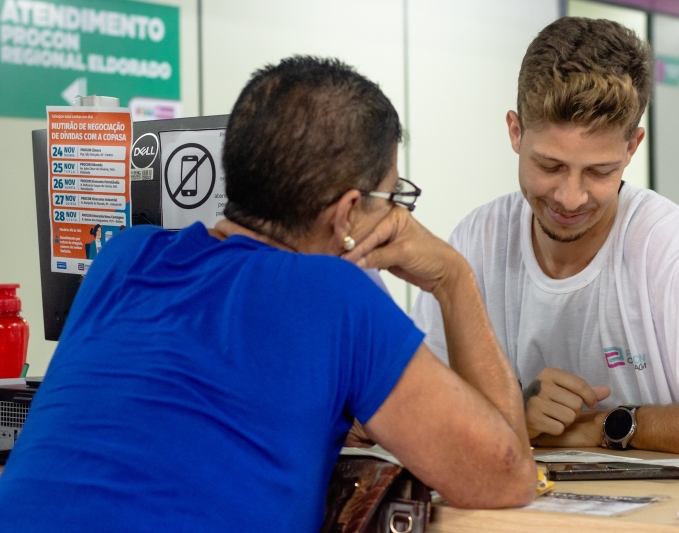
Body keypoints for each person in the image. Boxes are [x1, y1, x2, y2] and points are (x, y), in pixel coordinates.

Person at [0, 57, 537, 532]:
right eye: (390, 196)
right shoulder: (336, 296)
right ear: (348, 212)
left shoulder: (123, 258)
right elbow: (507, 476)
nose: (395, 214)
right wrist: (453, 277)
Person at [411, 17, 679, 460]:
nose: (570, 198)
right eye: (550, 166)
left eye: (599, 172)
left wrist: (599, 427)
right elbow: (418, 404)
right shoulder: (479, 239)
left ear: (632, 148)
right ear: (515, 132)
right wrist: (513, 409)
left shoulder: (661, 241)